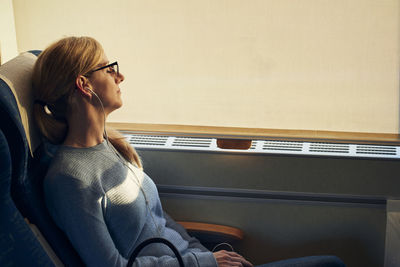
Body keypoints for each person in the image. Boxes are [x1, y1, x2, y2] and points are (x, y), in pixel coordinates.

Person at [32, 36, 345, 267]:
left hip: (196, 262)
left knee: (331, 263)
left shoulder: (110, 146)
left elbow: (161, 223)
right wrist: (205, 263)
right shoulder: (69, 180)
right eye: (109, 68)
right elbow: (111, 266)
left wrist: (213, 257)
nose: (120, 76)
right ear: (84, 86)